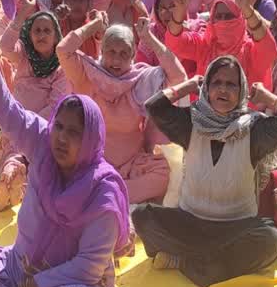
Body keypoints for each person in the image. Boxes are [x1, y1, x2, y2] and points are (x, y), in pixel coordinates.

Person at [0, 0, 130, 287]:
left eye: (73, 132)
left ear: (91, 140)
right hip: (18, 269)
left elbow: (88, 266)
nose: (61, 137)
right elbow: (3, 107)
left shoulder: (103, 192)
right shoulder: (43, 143)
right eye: (59, 126)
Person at [135, 56, 277, 287]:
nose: (223, 89)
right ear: (206, 88)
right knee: (141, 216)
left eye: (231, 84)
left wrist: (267, 97)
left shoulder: (254, 130)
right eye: (216, 83)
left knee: (271, 241)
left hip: (233, 229)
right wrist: (187, 86)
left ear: (242, 90)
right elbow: (154, 107)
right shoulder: (191, 123)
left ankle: (184, 262)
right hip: (190, 223)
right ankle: (211, 265)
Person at [57, 12, 186, 203]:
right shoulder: (89, 74)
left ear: (133, 55)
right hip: (94, 164)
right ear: (102, 51)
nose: (116, 60)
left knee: (163, 175)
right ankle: (111, 194)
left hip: (132, 164)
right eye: (111, 52)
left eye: (124, 53)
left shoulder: (141, 79)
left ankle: (107, 194)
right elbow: (63, 50)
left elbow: (178, 76)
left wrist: (149, 39)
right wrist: (95, 25)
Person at [0, 0, 70, 211]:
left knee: (39, 159)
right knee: (14, 150)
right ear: (29, 34)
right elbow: (4, 45)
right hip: (15, 123)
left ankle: (18, 179)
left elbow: (55, 106)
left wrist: (26, 125)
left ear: (56, 36)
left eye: (47, 31)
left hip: (43, 128)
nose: (42, 35)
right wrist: (22, 14)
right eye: (37, 30)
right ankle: (11, 177)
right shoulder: (24, 56)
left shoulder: (61, 68)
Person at [166, 0, 277, 89]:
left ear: (240, 19)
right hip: (205, 108)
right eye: (218, 16)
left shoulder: (250, 51)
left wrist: (247, 9)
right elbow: (175, 43)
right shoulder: (206, 46)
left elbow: (269, 51)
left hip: (244, 109)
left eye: (229, 16)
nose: (223, 21)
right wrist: (179, 12)